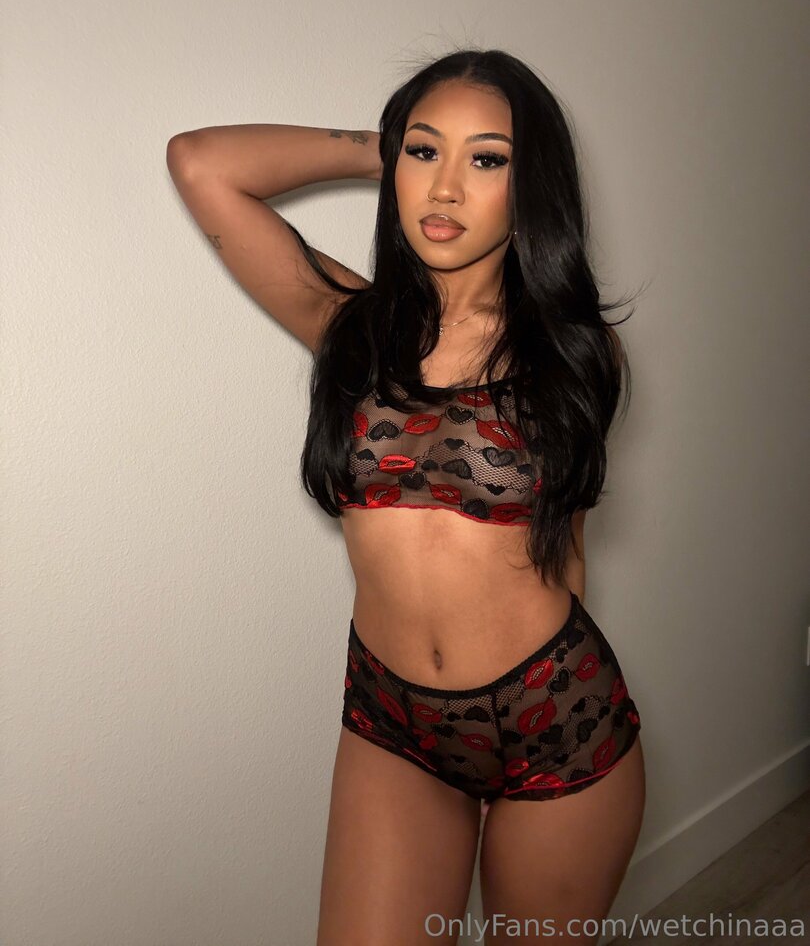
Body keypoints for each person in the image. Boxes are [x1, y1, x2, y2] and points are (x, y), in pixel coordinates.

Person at [166, 48, 646, 946]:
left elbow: (565, 547)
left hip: (553, 718)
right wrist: (382, 147)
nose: (446, 187)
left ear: (531, 183)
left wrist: (422, 148)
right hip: (393, 721)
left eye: (488, 159)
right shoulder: (350, 328)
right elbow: (202, 163)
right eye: (426, 152)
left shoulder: (574, 353)